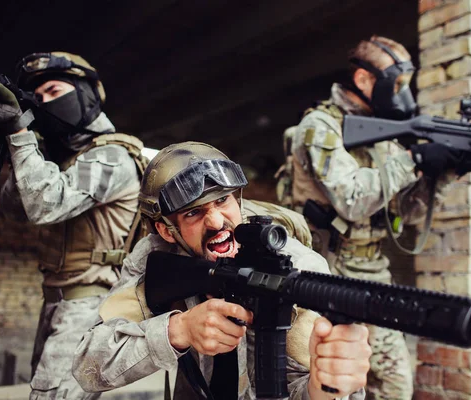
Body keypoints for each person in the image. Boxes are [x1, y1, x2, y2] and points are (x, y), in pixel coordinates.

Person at [275, 36, 471, 400]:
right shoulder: (320, 125)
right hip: (326, 274)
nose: (404, 93)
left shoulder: (383, 135)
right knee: (335, 384)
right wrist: (414, 160)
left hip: (373, 272)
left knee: (394, 386)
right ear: (364, 79)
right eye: (399, 83)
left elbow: (405, 213)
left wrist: (445, 172)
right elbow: (353, 201)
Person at [72, 141, 372, 400]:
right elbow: (88, 365)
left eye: (222, 200)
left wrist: (325, 386)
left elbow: (312, 388)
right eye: (193, 212)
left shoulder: (297, 267)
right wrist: (180, 329)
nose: (216, 222)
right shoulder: (158, 257)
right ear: (166, 230)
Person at [0, 52, 148, 399]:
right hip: (57, 303)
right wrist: (26, 140)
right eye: (39, 96)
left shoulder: (111, 155)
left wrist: (19, 131)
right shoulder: (66, 159)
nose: (46, 101)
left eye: (54, 90)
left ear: (87, 93)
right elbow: (15, 207)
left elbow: (44, 204)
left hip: (89, 305)